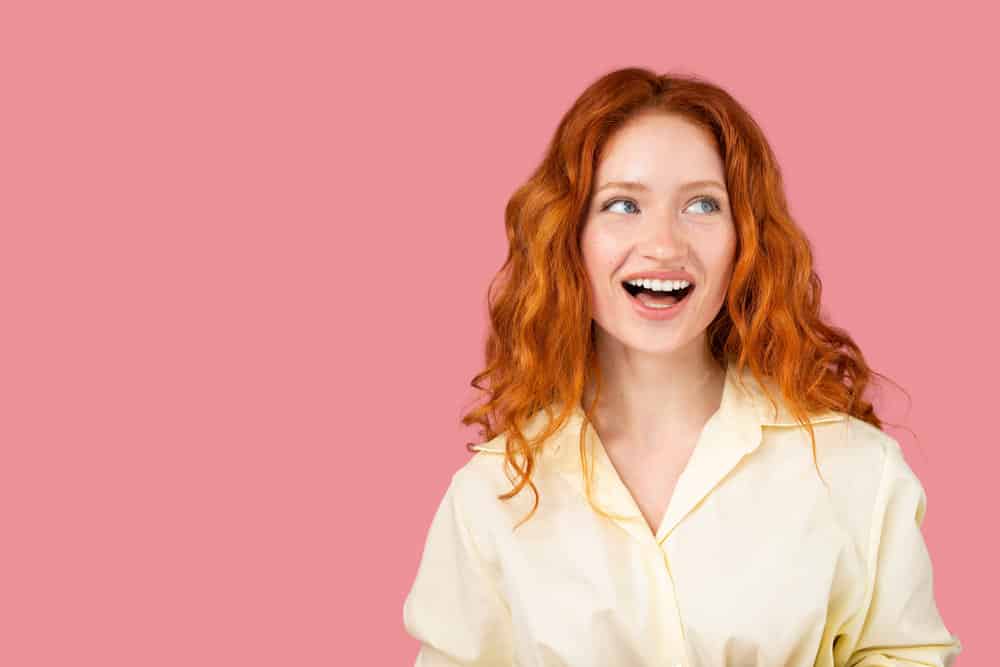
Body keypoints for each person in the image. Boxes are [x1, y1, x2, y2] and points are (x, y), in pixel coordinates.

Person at [401, 67, 962, 666]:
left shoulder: (857, 471)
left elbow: (907, 654)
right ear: (570, 236)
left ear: (745, 239)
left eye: (702, 204)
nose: (664, 244)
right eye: (623, 204)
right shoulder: (493, 494)